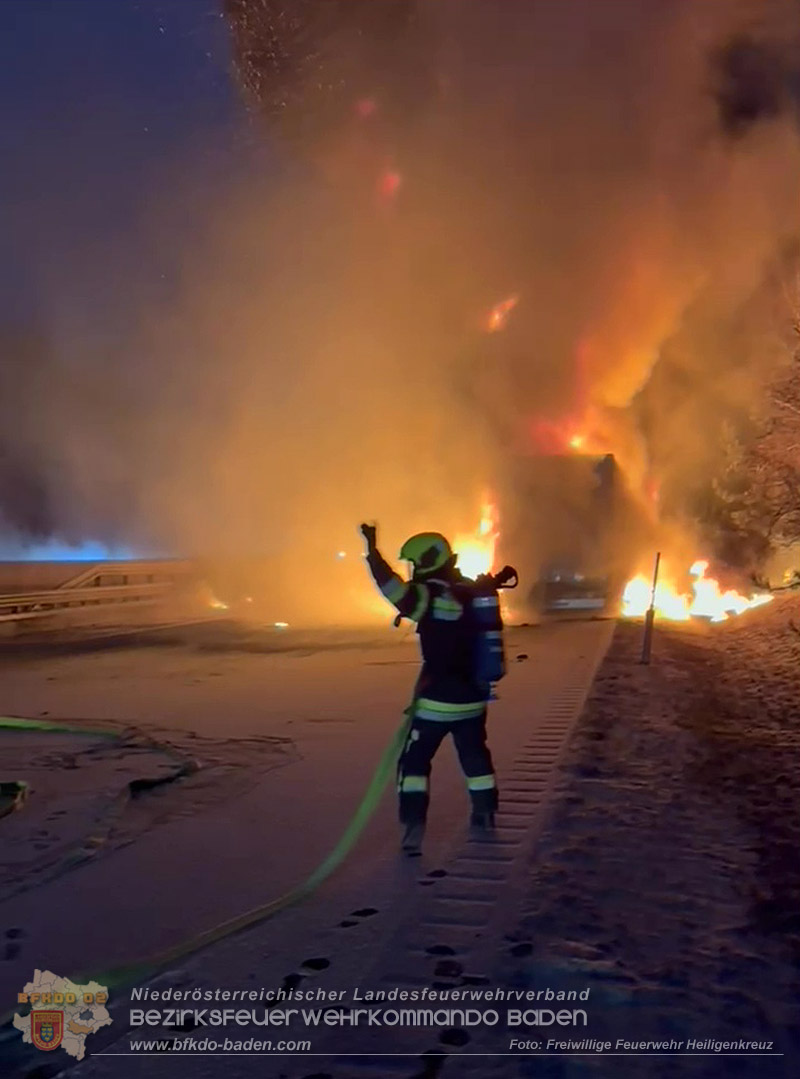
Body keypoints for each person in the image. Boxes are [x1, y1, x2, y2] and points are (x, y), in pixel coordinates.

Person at [360, 523, 498, 855]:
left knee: (414, 764)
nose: (413, 570)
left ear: (428, 561)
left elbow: (392, 589)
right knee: (475, 757)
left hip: (437, 701)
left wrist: (373, 553)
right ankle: (485, 813)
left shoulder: (429, 597)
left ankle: (413, 828)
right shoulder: (472, 593)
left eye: (415, 564)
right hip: (474, 699)